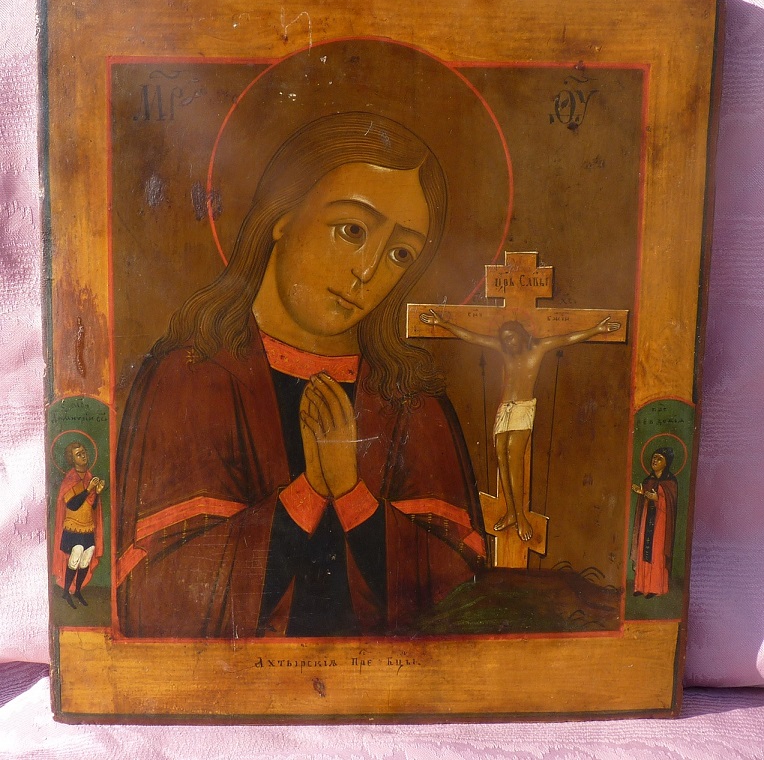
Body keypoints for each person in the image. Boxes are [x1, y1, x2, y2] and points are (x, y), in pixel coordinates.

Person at [116, 111, 487, 638]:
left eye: (400, 253)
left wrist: (351, 494)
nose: (367, 271)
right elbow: (153, 597)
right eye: (352, 230)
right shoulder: (191, 378)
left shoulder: (409, 400)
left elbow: (465, 597)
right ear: (283, 214)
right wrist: (310, 492)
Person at [419, 311, 621, 540]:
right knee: (501, 456)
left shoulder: (539, 348)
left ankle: (521, 516)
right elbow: (473, 337)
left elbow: (567, 338)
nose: (507, 343)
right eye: (504, 339)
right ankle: (511, 513)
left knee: (513, 456)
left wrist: (596, 330)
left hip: (524, 407)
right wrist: (443, 323)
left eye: (511, 337)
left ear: (521, 335)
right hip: (505, 407)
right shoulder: (504, 349)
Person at [53, 442, 105, 608]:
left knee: (86, 557)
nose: (83, 456)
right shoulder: (70, 479)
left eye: (83, 452)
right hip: (73, 527)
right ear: (72, 459)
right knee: (75, 556)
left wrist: (97, 493)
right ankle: (65, 592)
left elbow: (93, 506)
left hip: (88, 526)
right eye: (78, 454)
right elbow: (72, 504)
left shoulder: (90, 477)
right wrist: (88, 489)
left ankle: (77, 591)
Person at [630, 447, 678, 597]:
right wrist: (642, 492)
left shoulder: (670, 482)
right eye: (654, 457)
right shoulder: (648, 480)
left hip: (661, 522)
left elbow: (670, 502)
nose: (655, 461)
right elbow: (646, 495)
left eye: (659, 458)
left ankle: (655, 588)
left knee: (656, 552)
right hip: (647, 519)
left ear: (666, 462)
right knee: (643, 548)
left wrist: (658, 498)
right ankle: (641, 586)